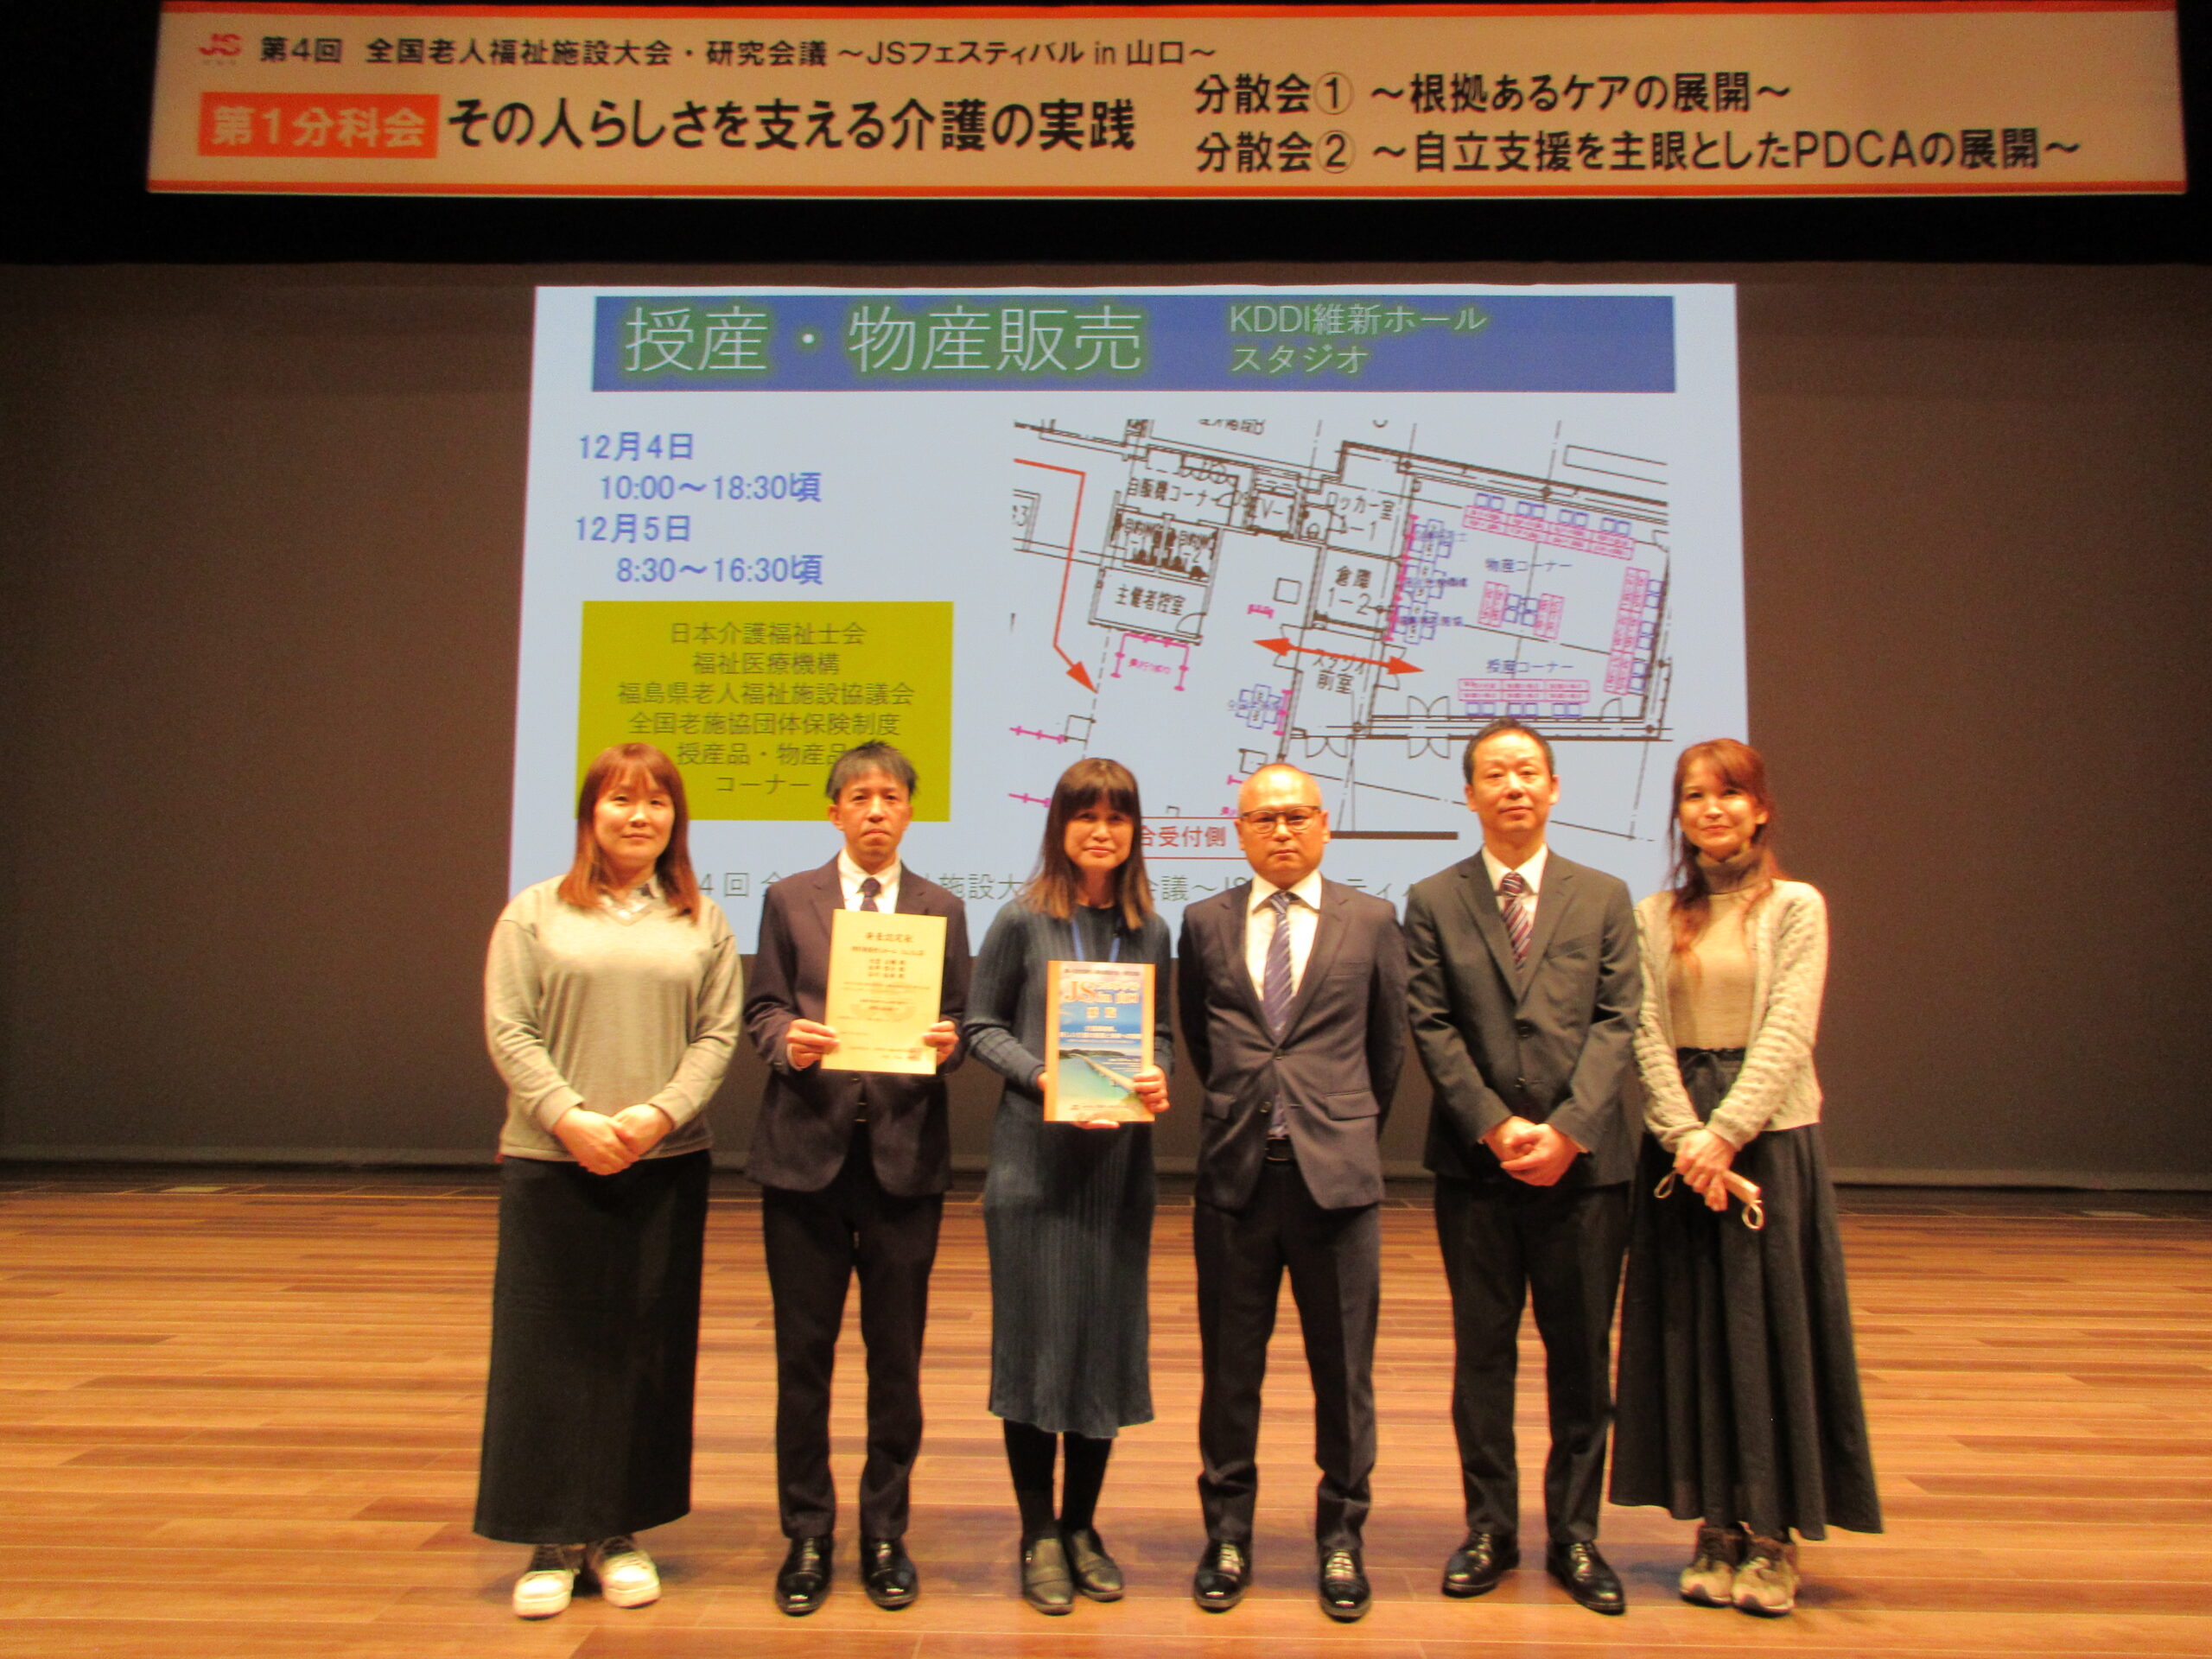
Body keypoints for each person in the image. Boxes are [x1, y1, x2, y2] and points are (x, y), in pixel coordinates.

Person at [1609, 738, 1882, 1616]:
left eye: (1729, 794)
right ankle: (1716, 1527)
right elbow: (1643, 1032)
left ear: (1760, 808)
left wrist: (1724, 1136)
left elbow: (1789, 1030)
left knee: (1769, 1338)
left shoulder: (1797, 907)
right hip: (1678, 1146)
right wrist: (1684, 1135)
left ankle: (1771, 1537)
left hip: (1767, 1143)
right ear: (1680, 814)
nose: (1712, 810)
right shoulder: (1652, 914)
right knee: (1693, 1335)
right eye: (1695, 796)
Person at [477, 743, 742, 1619]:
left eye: (656, 802)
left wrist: (660, 1115)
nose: (639, 816)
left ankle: (619, 1532)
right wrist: (569, 1117)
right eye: (621, 800)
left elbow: (717, 1035)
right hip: (553, 1160)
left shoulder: (701, 920)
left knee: (644, 1349)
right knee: (546, 1351)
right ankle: (551, 1539)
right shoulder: (535, 912)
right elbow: (511, 1028)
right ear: (591, 814)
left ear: (676, 819)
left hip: (662, 1163)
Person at [1402, 717, 1639, 1616]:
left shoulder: (1603, 894)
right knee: (1483, 1357)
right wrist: (1496, 1126)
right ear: (1468, 794)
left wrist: (1570, 1129)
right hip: (1478, 1169)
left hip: (1586, 1171)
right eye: (1496, 774)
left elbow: (1617, 1019)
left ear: (1553, 788)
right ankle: (1490, 1530)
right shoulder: (1433, 898)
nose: (1514, 786)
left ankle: (1576, 1535)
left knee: (1581, 1357)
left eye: (1529, 772)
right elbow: (1431, 1023)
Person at [1176, 762, 1408, 1624]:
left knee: (1343, 1376)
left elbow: (1387, 1049)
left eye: (1297, 816)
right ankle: (1227, 1535)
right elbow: (1201, 1037)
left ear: (1324, 825)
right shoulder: (1204, 922)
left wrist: (1335, 1126)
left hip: (1335, 1183)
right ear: (1238, 831)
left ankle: (1341, 1537)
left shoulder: (1372, 920)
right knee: (1229, 1373)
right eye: (1263, 818)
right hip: (1235, 1178)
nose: (1281, 830)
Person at [742, 742, 971, 1616]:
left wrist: (949, 1042)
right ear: (833, 811)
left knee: (896, 1361)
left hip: (903, 1162)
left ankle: (884, 1533)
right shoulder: (787, 899)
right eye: (861, 797)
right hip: (804, 1157)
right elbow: (763, 1006)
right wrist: (785, 1041)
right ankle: (807, 1533)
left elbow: (957, 1017)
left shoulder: (941, 907)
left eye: (892, 797)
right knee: (802, 1360)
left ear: (910, 810)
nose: (877, 811)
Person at [964, 758, 1173, 1615]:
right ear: (1059, 826)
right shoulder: (1021, 920)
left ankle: (1083, 1526)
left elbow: (1160, 1033)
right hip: (1034, 1168)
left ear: (1134, 832)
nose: (1101, 831)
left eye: (1117, 818)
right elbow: (980, 1025)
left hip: (1116, 1171)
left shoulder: (1150, 931)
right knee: (1033, 1349)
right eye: (1085, 816)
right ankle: (1036, 1532)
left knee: (1101, 1347)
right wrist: (1042, 1077)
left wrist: (1156, 1074)